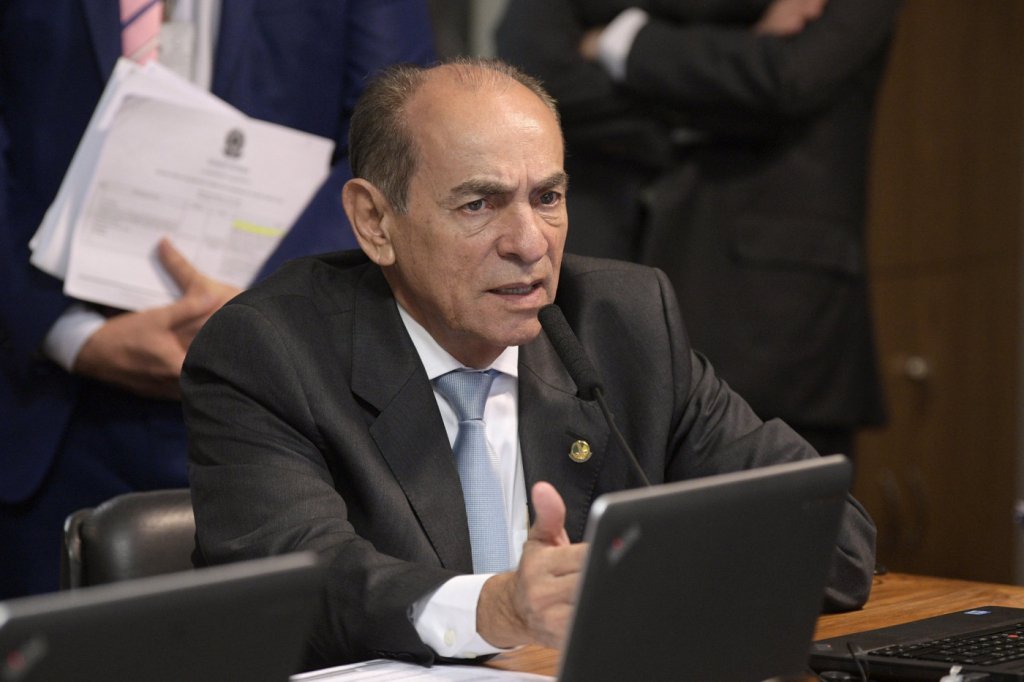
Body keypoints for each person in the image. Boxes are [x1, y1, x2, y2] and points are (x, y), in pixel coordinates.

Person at [182, 57, 875, 669]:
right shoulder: (269, 350)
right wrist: (499, 608)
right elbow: (300, 587)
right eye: (478, 204)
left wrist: (635, 582)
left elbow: (834, 540)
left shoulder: (623, 323)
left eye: (547, 198)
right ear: (375, 222)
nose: (529, 243)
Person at [0, 0, 435, 599]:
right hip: (50, 402)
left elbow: (400, 133)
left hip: (286, 402)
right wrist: (70, 334)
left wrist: (258, 314)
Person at [496, 0, 900, 458]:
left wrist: (620, 41)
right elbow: (532, 65)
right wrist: (711, 105)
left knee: (783, 491)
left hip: (774, 317)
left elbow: (787, 75)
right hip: (601, 281)